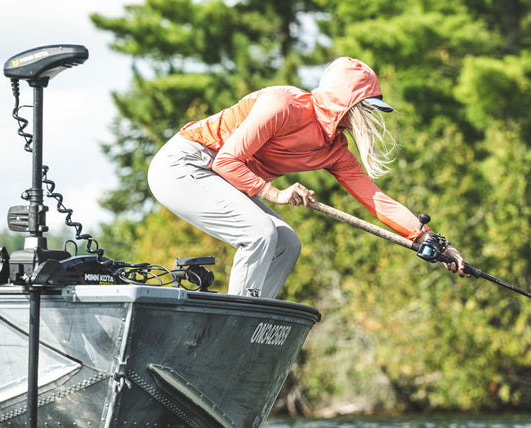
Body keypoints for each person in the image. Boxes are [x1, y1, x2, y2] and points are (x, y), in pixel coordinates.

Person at [148, 57, 466, 298]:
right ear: (343, 102)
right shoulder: (283, 104)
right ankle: (235, 320)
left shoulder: (335, 150)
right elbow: (227, 161)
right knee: (260, 233)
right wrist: (277, 194)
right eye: (366, 107)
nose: (369, 117)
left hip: (218, 177)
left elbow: (377, 200)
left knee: (287, 243)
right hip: (185, 165)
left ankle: (252, 314)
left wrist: (427, 237)